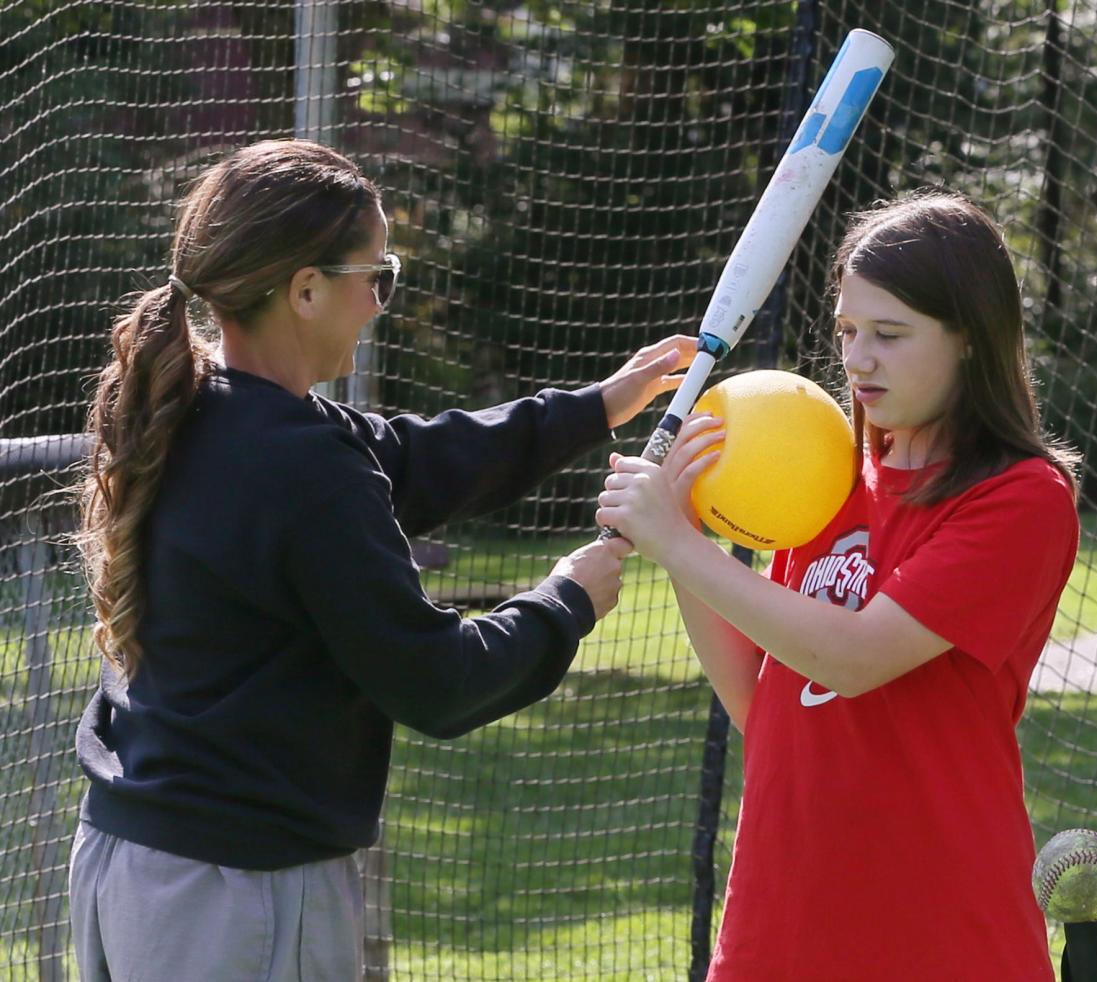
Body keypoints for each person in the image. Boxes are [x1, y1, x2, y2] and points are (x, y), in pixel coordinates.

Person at [69, 138, 696, 982]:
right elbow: (435, 681)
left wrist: (597, 406)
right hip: (235, 897)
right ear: (304, 290)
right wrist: (564, 601)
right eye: (376, 276)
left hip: (130, 864)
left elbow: (413, 458)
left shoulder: (200, 405)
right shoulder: (300, 463)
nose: (378, 303)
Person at [597, 190, 1080, 980]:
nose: (856, 360)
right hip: (777, 928)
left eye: (889, 335)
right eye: (848, 331)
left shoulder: (1021, 499)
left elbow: (854, 658)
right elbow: (765, 702)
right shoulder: (824, 477)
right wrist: (686, 530)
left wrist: (681, 548)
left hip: (940, 934)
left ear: (969, 339)